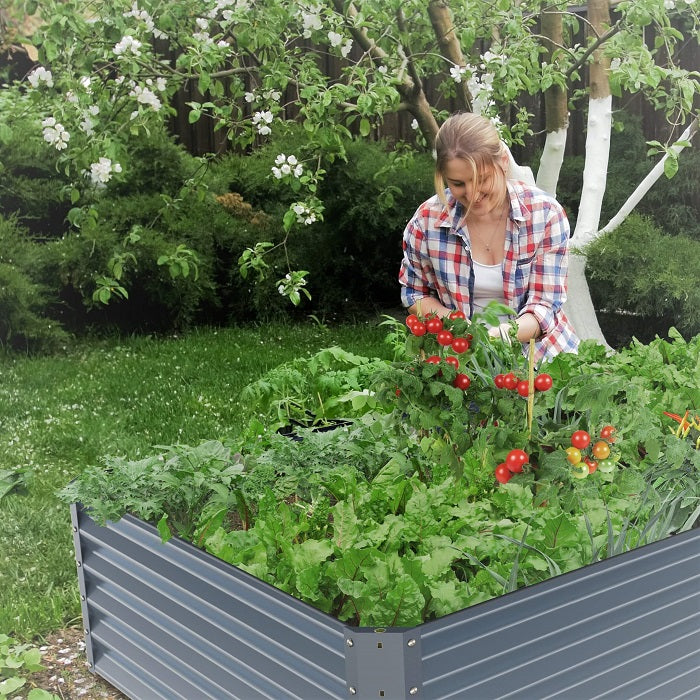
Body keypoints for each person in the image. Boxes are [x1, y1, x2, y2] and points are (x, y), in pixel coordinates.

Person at [398, 112, 579, 363]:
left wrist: (498, 336)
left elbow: (545, 306)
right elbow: (415, 294)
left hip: (542, 359)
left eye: (482, 179)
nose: (472, 194)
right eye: (458, 183)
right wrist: (462, 329)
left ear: (503, 162)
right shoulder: (427, 221)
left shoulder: (545, 215)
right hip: (460, 360)